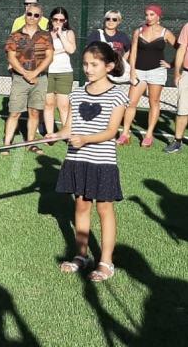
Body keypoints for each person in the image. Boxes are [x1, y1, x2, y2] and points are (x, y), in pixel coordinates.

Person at [48, 41, 128, 283]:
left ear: (109, 66)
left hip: (101, 161)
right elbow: (70, 127)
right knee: (81, 207)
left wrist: (85, 139)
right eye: (85, 64)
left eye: (94, 64)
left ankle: (105, 261)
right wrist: (57, 134)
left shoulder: (117, 95)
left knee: (104, 209)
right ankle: (81, 256)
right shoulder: (78, 92)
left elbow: (111, 131)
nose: (88, 69)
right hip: (77, 158)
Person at [118, 5, 176, 148]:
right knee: (131, 102)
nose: (148, 17)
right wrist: (132, 71)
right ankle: (125, 134)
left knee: (154, 102)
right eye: (147, 15)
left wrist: (172, 64)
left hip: (157, 72)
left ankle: (149, 135)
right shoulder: (138, 31)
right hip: (139, 71)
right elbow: (134, 52)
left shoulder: (165, 33)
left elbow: (181, 49)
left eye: (152, 14)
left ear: (158, 17)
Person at [3, 2, 54, 155]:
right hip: (20, 79)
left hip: (40, 79)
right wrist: (26, 74)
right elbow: (11, 58)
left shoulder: (46, 35)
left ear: (40, 17)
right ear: (25, 15)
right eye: (29, 14)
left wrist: (35, 72)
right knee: (14, 113)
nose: (32, 17)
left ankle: (30, 143)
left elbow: (49, 57)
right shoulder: (15, 35)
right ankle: (6, 144)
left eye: (36, 15)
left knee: (34, 112)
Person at [44, 7, 77, 136]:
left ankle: (66, 133)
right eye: (55, 19)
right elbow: (45, 53)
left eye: (61, 20)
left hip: (64, 72)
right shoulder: (45, 33)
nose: (58, 22)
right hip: (48, 71)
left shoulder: (68, 33)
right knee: (48, 104)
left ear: (65, 21)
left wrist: (60, 35)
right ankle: (50, 133)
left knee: (63, 105)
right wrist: (59, 50)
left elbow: (71, 50)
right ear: (51, 20)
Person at [86, 10, 131, 83]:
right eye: (108, 19)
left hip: (115, 73)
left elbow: (128, 50)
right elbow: (88, 50)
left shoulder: (122, 36)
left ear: (119, 21)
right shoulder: (96, 34)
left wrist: (121, 61)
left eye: (114, 19)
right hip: (99, 71)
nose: (111, 21)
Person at [165, 21, 188, 153]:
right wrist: (177, 73)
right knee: (182, 110)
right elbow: (181, 49)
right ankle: (177, 142)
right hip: (187, 74)